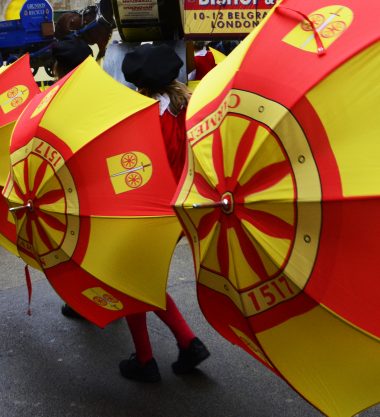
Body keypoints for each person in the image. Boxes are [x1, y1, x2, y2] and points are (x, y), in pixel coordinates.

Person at [119, 44, 210, 382]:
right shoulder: (191, 106)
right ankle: (187, 344)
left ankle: (146, 359)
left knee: (131, 281)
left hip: (150, 209)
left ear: (140, 85)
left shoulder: (144, 119)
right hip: (183, 206)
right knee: (143, 279)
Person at [50, 37, 95, 320]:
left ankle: (83, 303)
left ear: (58, 68)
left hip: (75, 186)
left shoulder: (56, 101)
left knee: (76, 250)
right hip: (101, 182)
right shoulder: (102, 92)